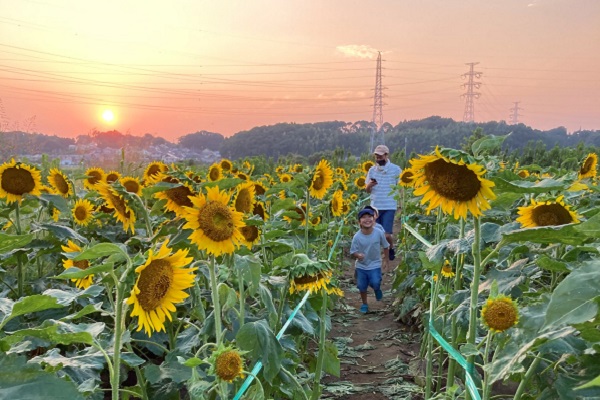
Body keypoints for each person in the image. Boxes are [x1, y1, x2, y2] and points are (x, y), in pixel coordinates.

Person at [365, 144, 402, 260]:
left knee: (386, 234)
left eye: (380, 156)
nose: (378, 158)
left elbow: (401, 187)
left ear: (386, 155)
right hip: (375, 206)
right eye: (376, 156)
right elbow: (367, 190)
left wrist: (400, 203)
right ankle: (377, 256)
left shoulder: (396, 169)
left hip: (389, 205)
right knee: (375, 234)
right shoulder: (372, 170)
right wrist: (369, 185)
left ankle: (391, 247)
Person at [350, 207, 390, 314]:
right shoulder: (357, 237)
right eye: (364, 217)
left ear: (374, 219)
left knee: (375, 282)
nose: (367, 219)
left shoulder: (379, 233)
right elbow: (352, 252)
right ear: (359, 222)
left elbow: (386, 246)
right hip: (361, 266)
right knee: (362, 286)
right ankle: (364, 304)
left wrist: (386, 260)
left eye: (370, 217)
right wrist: (358, 255)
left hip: (375, 264)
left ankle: (377, 289)